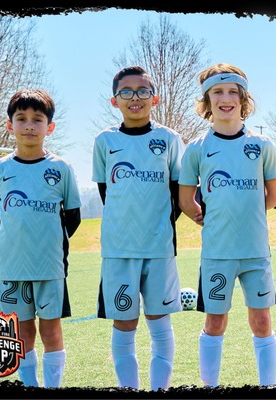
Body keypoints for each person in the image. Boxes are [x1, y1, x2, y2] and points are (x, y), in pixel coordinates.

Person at [178, 64, 276, 387]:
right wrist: (204, 217)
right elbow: (185, 200)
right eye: (217, 92)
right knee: (215, 322)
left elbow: (273, 196)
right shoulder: (197, 148)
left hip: (255, 252)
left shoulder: (262, 145)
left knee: (261, 321)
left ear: (243, 98)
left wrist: (246, 214)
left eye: (232, 92)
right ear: (207, 99)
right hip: (217, 253)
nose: (226, 99)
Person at [92, 66, 184, 390]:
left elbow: (179, 193)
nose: (135, 97)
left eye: (143, 91)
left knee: (159, 323)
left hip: (159, 248)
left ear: (154, 98)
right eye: (126, 92)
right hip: (119, 250)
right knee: (124, 323)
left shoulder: (169, 139)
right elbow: (107, 193)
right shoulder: (105, 141)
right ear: (114, 100)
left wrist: (157, 227)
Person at [0, 89, 82, 388]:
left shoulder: (61, 168)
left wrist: (46, 242)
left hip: (49, 267)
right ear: (10, 125)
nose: (29, 125)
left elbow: (73, 217)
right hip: (12, 269)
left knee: (51, 331)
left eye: (37, 119)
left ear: (49, 127)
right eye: (22, 118)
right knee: (21, 332)